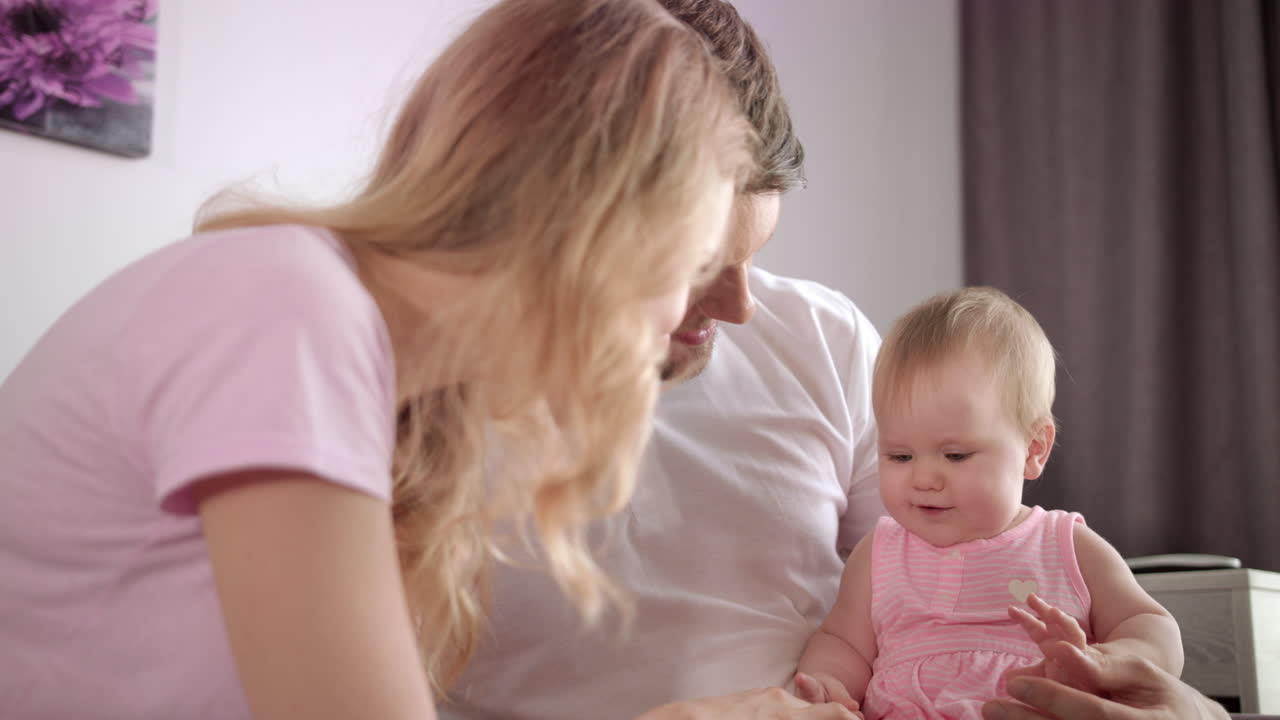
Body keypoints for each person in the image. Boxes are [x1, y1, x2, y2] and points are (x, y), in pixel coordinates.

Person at [0, 1, 787, 718]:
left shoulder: (378, 371)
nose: (686, 311)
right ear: (593, 234)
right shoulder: (289, 313)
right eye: (688, 268)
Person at [442, 0, 884, 718]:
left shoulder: (828, 341)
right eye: (697, 261)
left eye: (754, 255)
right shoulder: (415, 396)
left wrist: (1127, 631)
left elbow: (946, 582)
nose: (740, 308)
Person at [793, 287, 1184, 718]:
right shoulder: (879, 553)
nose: (923, 478)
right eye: (899, 456)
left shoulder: (1067, 546)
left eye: (956, 455)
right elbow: (844, 642)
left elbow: (1150, 625)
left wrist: (1102, 661)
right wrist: (828, 682)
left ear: (1034, 448)